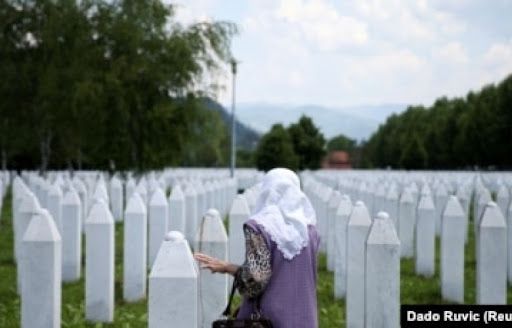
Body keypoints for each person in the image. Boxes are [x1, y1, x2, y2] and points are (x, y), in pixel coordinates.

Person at [194, 168, 320, 328]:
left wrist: (227, 267)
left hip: (269, 319)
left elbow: (256, 279)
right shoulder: (310, 230)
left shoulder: (259, 226)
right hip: (305, 317)